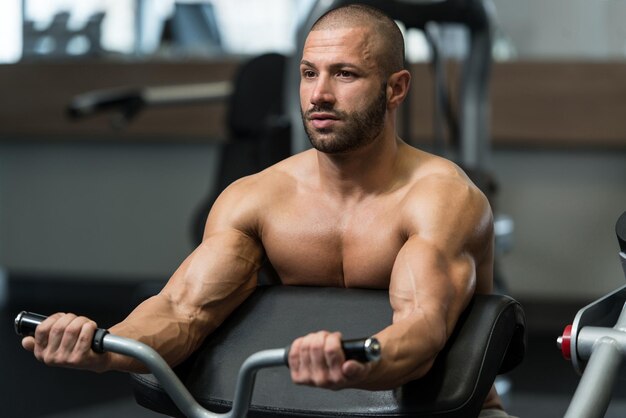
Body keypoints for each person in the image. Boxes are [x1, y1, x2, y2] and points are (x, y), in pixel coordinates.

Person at [22, 4, 511, 417]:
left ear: (396, 88)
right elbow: (183, 311)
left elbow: (422, 329)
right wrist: (104, 347)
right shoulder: (257, 197)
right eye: (309, 73)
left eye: (345, 74)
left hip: (442, 411)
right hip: (297, 403)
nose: (319, 94)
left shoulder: (441, 198)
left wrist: (361, 365)